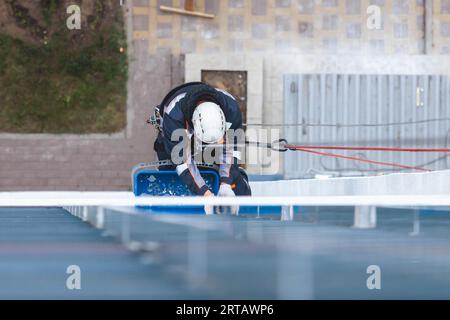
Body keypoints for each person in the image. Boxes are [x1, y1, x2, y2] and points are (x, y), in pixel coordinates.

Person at [150, 82, 251, 215]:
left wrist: (226, 184)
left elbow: (231, 151)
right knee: (171, 172)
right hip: (177, 136)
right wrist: (205, 194)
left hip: (214, 139)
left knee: (234, 180)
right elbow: (183, 163)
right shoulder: (174, 116)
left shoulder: (231, 110)